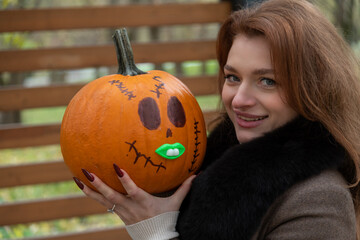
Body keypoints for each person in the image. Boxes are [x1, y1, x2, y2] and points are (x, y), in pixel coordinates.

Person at [72, 0, 360, 239]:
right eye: (233, 77)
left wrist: (155, 231)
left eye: (268, 81)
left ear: (313, 89)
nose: (238, 99)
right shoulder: (206, 169)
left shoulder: (318, 201)